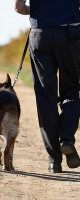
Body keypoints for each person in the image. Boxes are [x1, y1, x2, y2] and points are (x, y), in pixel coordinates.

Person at [14, 0, 80, 173]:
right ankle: (66, 139)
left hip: (40, 34)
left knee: (45, 96)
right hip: (69, 34)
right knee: (71, 90)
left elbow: (18, 7)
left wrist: (37, 12)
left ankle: (54, 160)